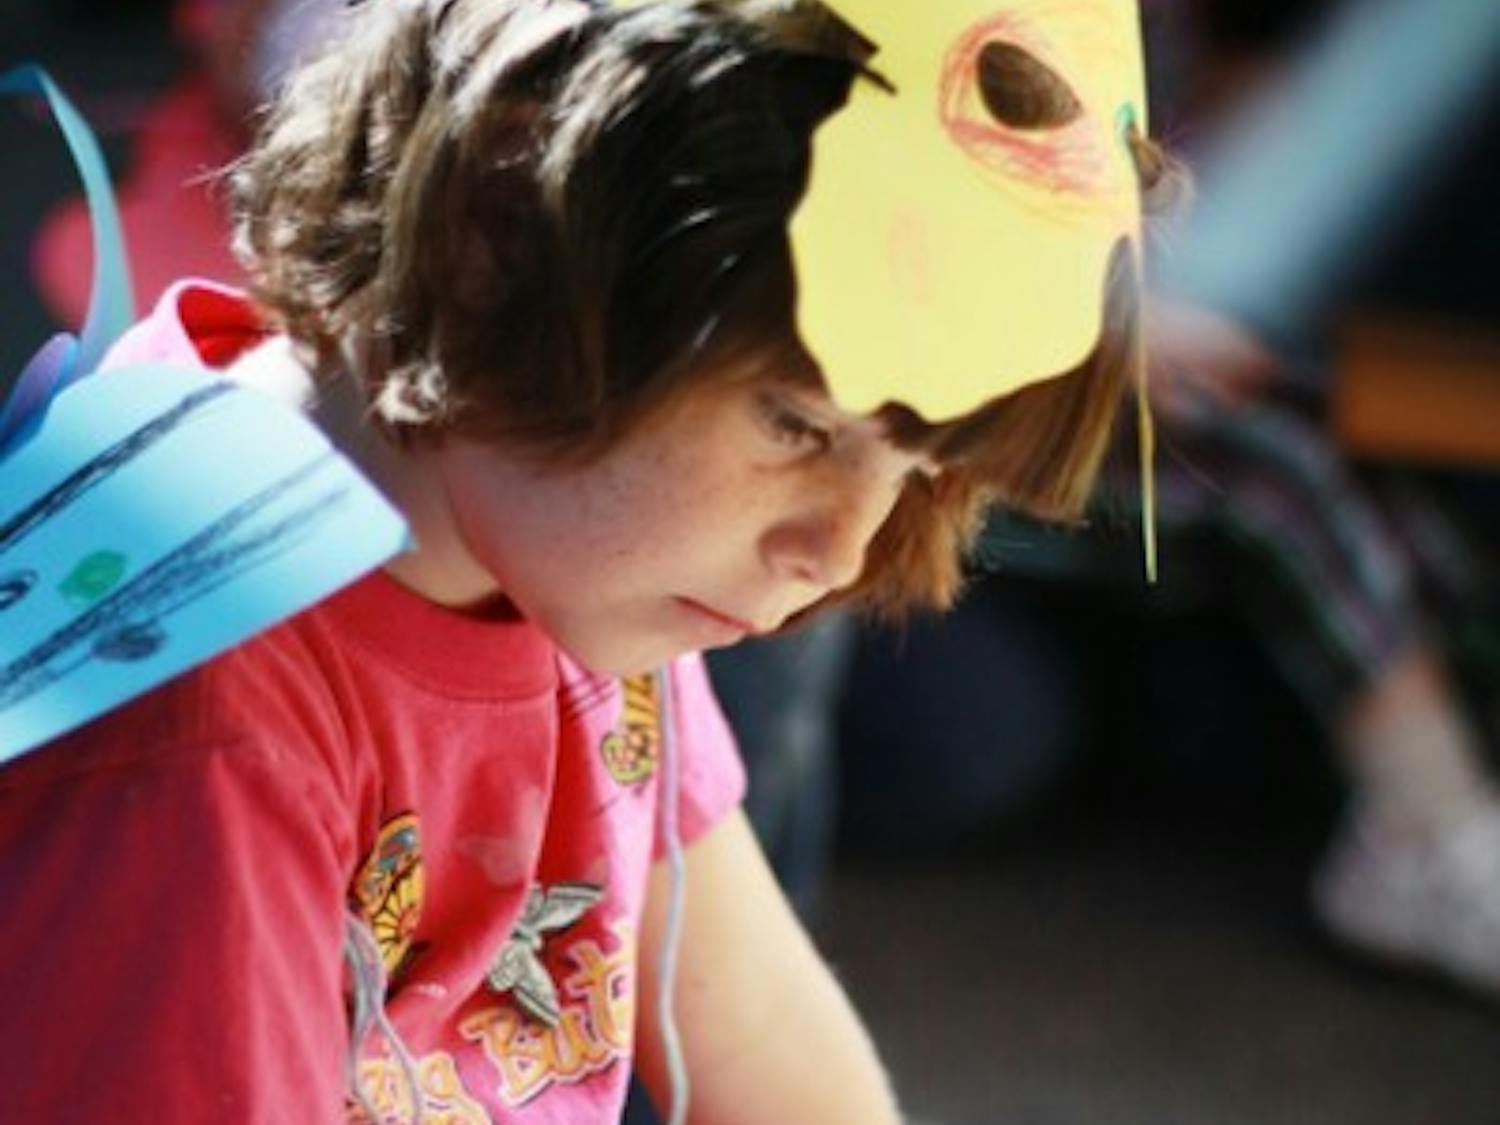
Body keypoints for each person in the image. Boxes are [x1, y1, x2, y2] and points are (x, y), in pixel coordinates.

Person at [0, 1, 1170, 1121]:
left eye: (916, 473)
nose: (841, 552)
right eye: (797, 427)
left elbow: (757, 1038)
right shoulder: (203, 716)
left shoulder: (567, 551)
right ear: (499, 237)